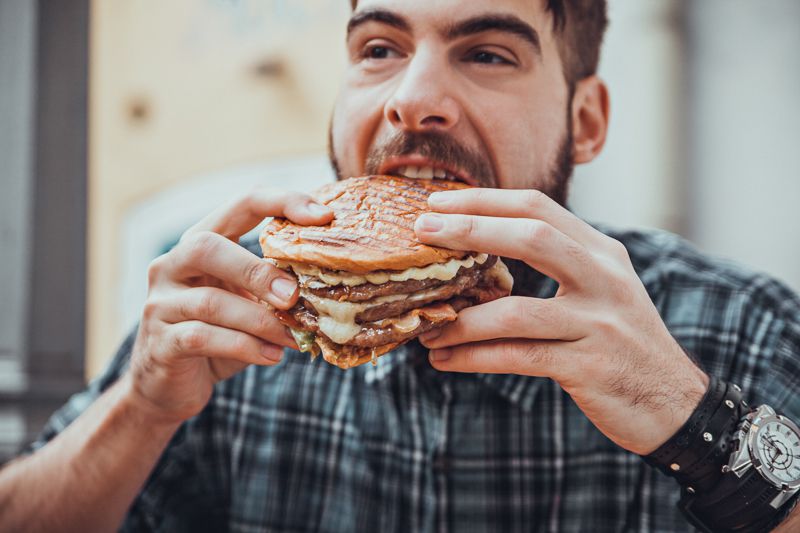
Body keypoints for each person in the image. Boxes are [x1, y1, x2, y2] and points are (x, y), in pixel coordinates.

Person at [2, 0, 799, 531]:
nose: (413, 100)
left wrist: (693, 421)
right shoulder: (228, 314)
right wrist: (140, 407)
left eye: (486, 53)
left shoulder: (737, 325)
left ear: (584, 122)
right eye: (378, 49)